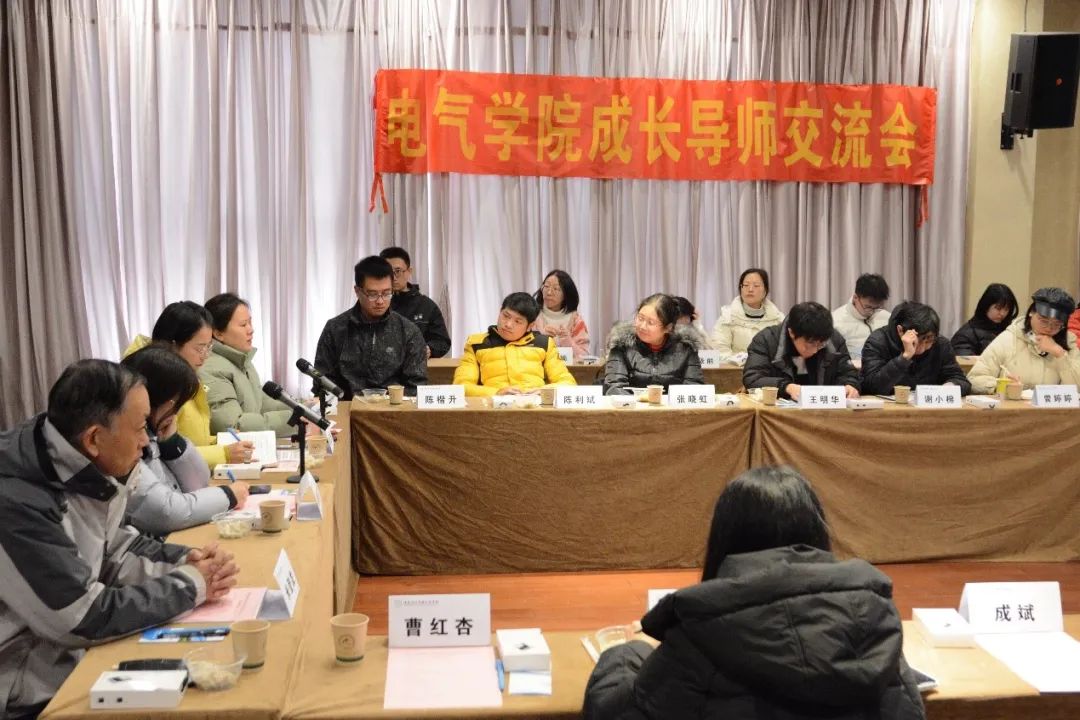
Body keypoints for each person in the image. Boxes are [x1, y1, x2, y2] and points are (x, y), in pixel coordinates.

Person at [582, 466, 926, 720]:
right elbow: (909, 710)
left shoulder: (701, 632)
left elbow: (618, 713)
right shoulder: (870, 615)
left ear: (725, 539)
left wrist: (624, 653)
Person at [0, 360, 239, 718]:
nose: (146, 443)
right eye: (141, 428)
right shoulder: (17, 500)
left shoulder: (76, 461)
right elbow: (81, 618)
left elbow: (115, 550)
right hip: (25, 691)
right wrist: (190, 585)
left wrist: (184, 561)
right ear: (94, 438)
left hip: (63, 660)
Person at [122, 345, 250, 536]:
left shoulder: (155, 433)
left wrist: (173, 443)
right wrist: (229, 496)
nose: (176, 412)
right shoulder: (126, 443)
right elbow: (167, 512)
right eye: (175, 404)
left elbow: (199, 483)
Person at [126, 301, 255, 468]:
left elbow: (191, 437)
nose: (205, 356)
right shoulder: (154, 382)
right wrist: (223, 453)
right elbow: (161, 451)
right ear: (173, 345)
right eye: (200, 348)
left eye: (209, 347)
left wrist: (218, 441)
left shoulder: (187, 374)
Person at [315, 256, 429, 399]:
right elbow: (323, 382)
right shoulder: (336, 329)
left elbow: (416, 387)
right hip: (347, 408)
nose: (380, 301)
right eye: (373, 294)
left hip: (393, 409)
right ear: (357, 291)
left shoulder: (408, 331)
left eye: (386, 293)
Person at [201, 292, 295, 436]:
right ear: (218, 333)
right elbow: (232, 425)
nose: (251, 330)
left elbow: (263, 404)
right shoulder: (211, 369)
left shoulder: (242, 361)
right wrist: (294, 421)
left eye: (250, 322)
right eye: (243, 324)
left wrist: (304, 409)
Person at [454, 292, 576, 396]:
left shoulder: (544, 343)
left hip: (534, 407)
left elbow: (568, 383)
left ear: (530, 326)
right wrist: (496, 393)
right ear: (500, 311)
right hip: (493, 408)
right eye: (506, 316)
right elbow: (461, 386)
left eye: (518, 321)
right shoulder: (477, 344)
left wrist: (544, 391)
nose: (508, 324)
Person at [968, 287, 1080, 393]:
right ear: (1031, 313)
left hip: (1053, 407)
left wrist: (1060, 354)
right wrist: (1002, 385)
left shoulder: (1069, 344)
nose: (1049, 328)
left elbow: (1077, 388)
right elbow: (974, 379)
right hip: (1012, 406)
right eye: (1043, 321)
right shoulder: (1009, 338)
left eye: (1057, 324)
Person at [743, 301, 860, 400]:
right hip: (780, 413)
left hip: (824, 413)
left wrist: (850, 385)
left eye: (821, 345)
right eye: (810, 343)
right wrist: (786, 387)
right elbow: (753, 378)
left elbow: (849, 373)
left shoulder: (834, 340)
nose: (815, 350)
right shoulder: (766, 340)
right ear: (792, 333)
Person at [861, 302, 971, 396]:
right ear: (900, 330)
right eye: (917, 341)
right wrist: (904, 358)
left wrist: (949, 387)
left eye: (928, 341)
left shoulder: (941, 344)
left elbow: (961, 380)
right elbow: (872, 387)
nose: (922, 349)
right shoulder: (878, 341)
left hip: (929, 409)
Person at [604, 294, 705, 394]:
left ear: (668, 327)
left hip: (671, 405)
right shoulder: (621, 344)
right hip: (629, 404)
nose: (642, 326)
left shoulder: (686, 347)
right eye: (640, 318)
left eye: (651, 322)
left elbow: (694, 387)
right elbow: (614, 387)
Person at [379, 246, 451, 358]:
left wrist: (429, 349)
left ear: (409, 271)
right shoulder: (375, 303)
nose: (393, 277)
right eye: (387, 272)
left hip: (416, 365)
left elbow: (442, 342)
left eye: (397, 271)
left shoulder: (427, 306)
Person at [711, 268, 784, 356]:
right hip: (735, 364)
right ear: (740, 289)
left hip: (768, 365)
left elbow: (783, 351)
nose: (750, 289)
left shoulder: (778, 319)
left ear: (765, 291)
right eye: (746, 285)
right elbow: (719, 350)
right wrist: (742, 361)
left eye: (756, 285)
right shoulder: (728, 317)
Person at [530, 269, 591, 361]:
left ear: (566, 294)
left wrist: (568, 341)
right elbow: (521, 350)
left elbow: (585, 357)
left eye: (556, 289)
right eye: (546, 286)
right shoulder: (532, 316)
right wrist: (541, 339)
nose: (549, 292)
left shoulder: (576, 320)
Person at [831, 273, 891, 359]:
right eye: (868, 307)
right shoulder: (836, 321)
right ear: (855, 297)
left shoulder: (887, 318)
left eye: (877, 308)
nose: (872, 312)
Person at [951, 283, 1019, 357]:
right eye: (998, 308)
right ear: (986, 306)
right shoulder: (965, 336)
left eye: (1006, 309)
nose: (1002, 313)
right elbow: (966, 362)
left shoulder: (1012, 331)